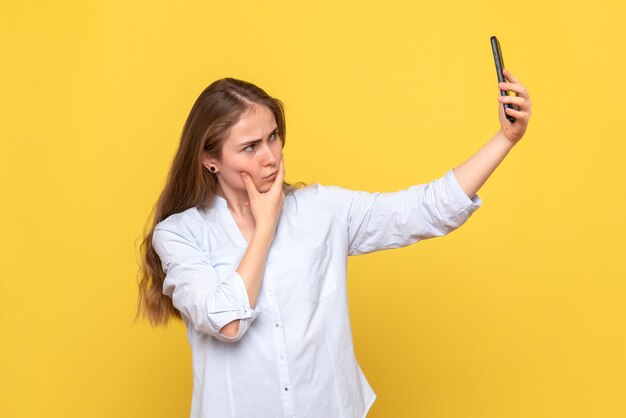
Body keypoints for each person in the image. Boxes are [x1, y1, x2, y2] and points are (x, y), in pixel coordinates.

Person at [136, 69, 532, 418]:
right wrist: (267, 224)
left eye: (273, 137)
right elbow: (227, 322)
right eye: (250, 147)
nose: (270, 157)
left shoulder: (321, 210)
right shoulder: (179, 234)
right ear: (210, 160)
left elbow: (424, 209)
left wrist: (505, 138)